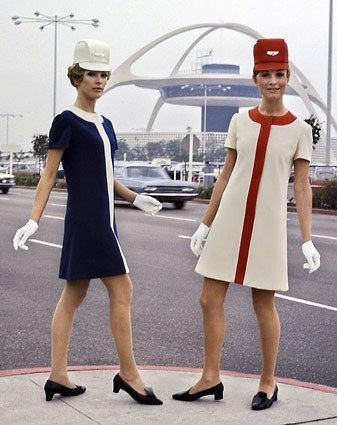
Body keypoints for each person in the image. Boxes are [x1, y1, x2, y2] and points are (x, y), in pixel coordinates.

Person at [172, 38, 320, 410]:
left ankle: (268, 382)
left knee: (263, 303)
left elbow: (302, 186)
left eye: (279, 74)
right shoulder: (240, 121)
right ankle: (210, 376)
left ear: (287, 78)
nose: (273, 81)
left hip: (268, 226)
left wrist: (307, 239)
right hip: (230, 220)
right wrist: (205, 224)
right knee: (208, 298)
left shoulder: (299, 129)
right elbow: (224, 176)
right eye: (266, 74)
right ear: (255, 78)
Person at [13, 39, 163, 405]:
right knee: (122, 289)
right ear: (77, 77)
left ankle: (57, 376)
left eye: (104, 75)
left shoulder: (105, 124)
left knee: (74, 294)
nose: (99, 81)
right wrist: (33, 220)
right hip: (89, 220)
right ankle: (128, 374)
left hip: (103, 218)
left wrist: (133, 197)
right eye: (92, 74)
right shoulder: (66, 122)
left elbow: (105, 173)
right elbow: (49, 175)